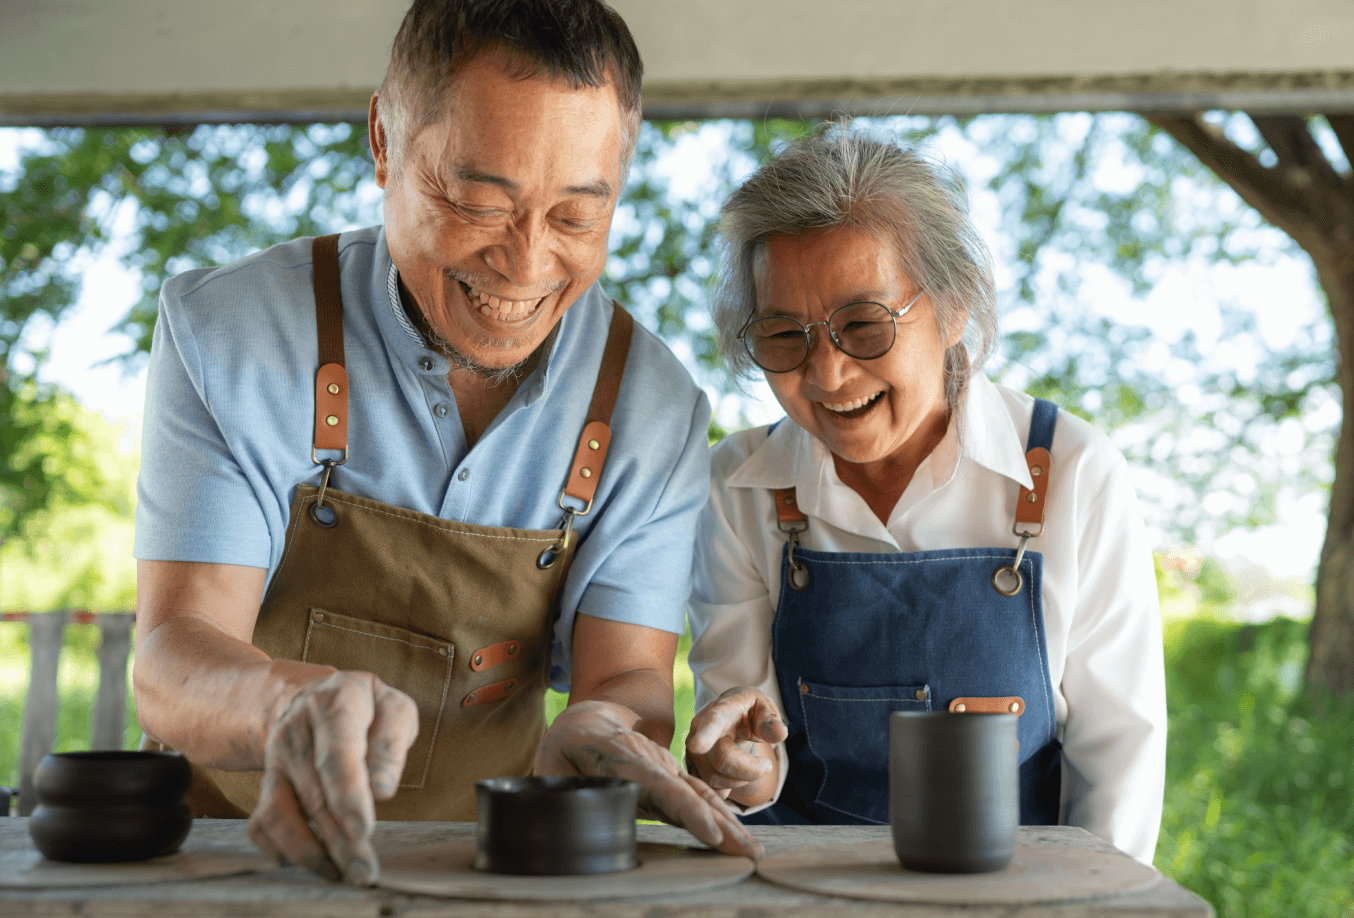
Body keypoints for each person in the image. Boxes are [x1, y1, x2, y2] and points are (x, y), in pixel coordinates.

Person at [132, 0, 760, 886]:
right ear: (384, 142)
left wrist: (606, 727)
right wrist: (284, 704)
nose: (527, 263)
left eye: (577, 217)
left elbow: (628, 682)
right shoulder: (228, 331)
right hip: (225, 862)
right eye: (478, 202)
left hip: (488, 876)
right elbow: (172, 653)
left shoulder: (652, 409)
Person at [682, 128, 1167, 865]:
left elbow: (1117, 765)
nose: (829, 376)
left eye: (864, 326)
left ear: (954, 307)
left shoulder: (1070, 473)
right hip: (803, 896)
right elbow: (751, 743)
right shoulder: (739, 486)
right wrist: (739, 768)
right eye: (786, 336)